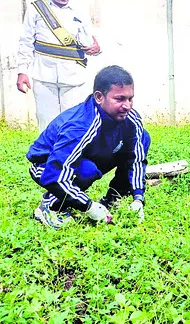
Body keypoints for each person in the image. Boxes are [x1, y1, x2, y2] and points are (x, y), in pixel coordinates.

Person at [27, 65, 150, 228]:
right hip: (47, 165)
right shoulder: (80, 126)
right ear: (99, 97)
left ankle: (113, 199)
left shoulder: (130, 118)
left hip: (83, 155)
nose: (127, 105)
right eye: (119, 99)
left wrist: (138, 198)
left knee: (142, 137)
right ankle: (50, 206)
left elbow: (136, 160)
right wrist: (88, 206)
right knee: (87, 170)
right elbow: (54, 174)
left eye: (130, 98)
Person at [16, 0, 101, 133]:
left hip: (74, 77)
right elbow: (26, 42)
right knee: (47, 125)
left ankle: (72, 158)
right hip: (44, 76)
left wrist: (97, 48)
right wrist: (22, 72)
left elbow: (91, 40)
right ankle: (46, 158)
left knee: (74, 123)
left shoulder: (79, 11)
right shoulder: (36, 9)